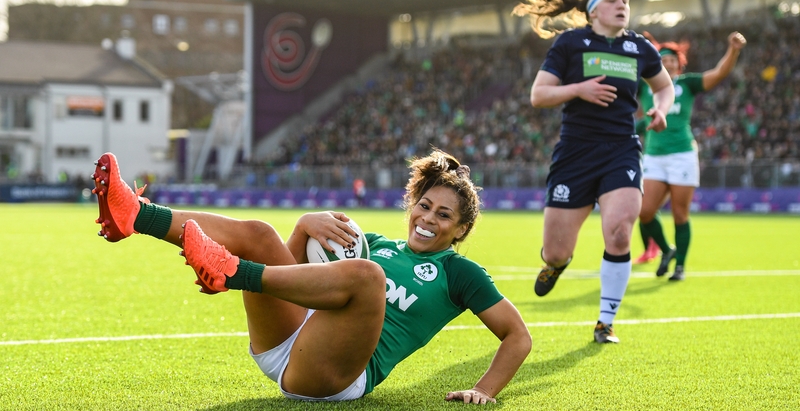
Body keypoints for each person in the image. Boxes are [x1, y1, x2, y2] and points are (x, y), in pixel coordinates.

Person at [91, 150, 531, 404]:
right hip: (288, 339)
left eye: (444, 215)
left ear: (461, 230)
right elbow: (296, 272)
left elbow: (518, 336)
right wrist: (303, 226)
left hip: (335, 377)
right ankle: (135, 216)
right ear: (411, 205)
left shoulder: (459, 273)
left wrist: (484, 390)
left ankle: (232, 272)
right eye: (424, 206)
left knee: (368, 278)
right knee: (261, 234)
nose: (428, 219)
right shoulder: (370, 241)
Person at [512, 0, 674, 343]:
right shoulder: (571, 43)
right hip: (575, 153)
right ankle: (557, 264)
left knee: (619, 233)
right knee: (555, 250)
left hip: (622, 150)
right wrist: (579, 89)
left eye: (626, 2)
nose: (622, 6)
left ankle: (605, 322)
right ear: (593, 11)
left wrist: (662, 109)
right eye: (613, 1)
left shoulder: (640, 48)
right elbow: (539, 95)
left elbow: (664, 87)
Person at [636, 31, 747, 280]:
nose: (667, 62)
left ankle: (680, 267)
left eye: (672, 59)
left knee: (679, 214)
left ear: (679, 62)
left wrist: (734, 50)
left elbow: (719, 73)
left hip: (682, 154)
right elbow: (642, 119)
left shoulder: (687, 84)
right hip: (653, 155)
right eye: (662, 59)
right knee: (644, 212)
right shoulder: (644, 86)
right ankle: (667, 250)